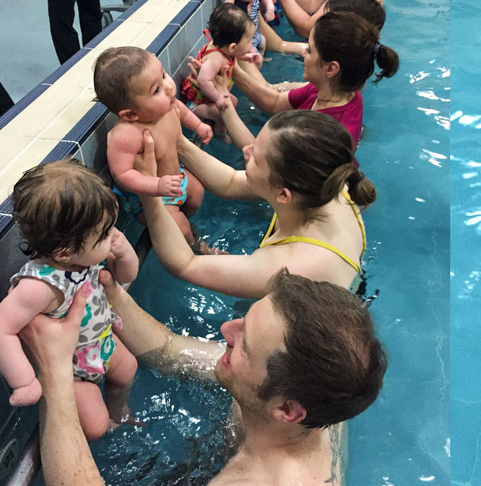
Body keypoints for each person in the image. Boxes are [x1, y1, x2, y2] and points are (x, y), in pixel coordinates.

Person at [21, 267, 388, 485]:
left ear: (288, 409)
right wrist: (107, 290)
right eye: (245, 320)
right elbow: (167, 349)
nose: (228, 329)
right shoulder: (318, 387)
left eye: (244, 342)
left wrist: (54, 374)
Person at [133, 110, 374, 299]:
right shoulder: (325, 183)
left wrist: (149, 191)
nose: (246, 151)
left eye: (256, 158)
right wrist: (177, 140)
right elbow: (228, 183)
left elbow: (184, 265)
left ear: (283, 195)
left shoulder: (291, 267)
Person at [0, 160, 139, 440]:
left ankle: (118, 410)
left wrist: (124, 254)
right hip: (71, 370)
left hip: (101, 341)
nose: (113, 235)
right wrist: (24, 381)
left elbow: (126, 276)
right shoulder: (40, 286)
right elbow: (2, 327)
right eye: (104, 232)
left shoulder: (84, 255)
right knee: (95, 428)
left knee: (128, 369)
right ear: (64, 252)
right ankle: (107, 422)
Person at [229, 11, 398, 150]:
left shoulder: (317, 135)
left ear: (331, 69)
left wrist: (224, 105)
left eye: (309, 50)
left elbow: (257, 157)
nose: (303, 54)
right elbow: (274, 103)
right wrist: (234, 70)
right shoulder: (335, 91)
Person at [94, 47, 212, 244]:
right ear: (130, 114)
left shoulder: (167, 105)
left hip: (176, 178)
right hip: (148, 198)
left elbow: (181, 111)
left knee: (198, 192)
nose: (168, 86)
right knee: (180, 227)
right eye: (156, 89)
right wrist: (156, 185)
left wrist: (199, 126)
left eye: (164, 75)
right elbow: (122, 175)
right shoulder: (126, 134)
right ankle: (196, 245)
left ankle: (181, 224)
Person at [181, 4, 258, 139]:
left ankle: (220, 127)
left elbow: (234, 54)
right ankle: (220, 134)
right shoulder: (215, 59)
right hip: (196, 103)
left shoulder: (224, 48)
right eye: (249, 41)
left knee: (232, 102)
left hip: (207, 98)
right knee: (223, 110)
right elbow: (203, 80)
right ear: (233, 47)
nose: (251, 44)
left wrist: (247, 56)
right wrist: (217, 98)